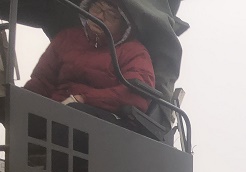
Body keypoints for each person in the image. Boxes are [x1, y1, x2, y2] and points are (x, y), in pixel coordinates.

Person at [24, 0, 155, 119]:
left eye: (110, 14)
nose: (99, 17)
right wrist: (19, 98)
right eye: (96, 8)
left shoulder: (135, 52)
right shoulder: (67, 37)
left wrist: (84, 99)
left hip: (99, 122)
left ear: (125, 23)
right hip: (53, 111)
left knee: (73, 112)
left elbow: (137, 95)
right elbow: (41, 81)